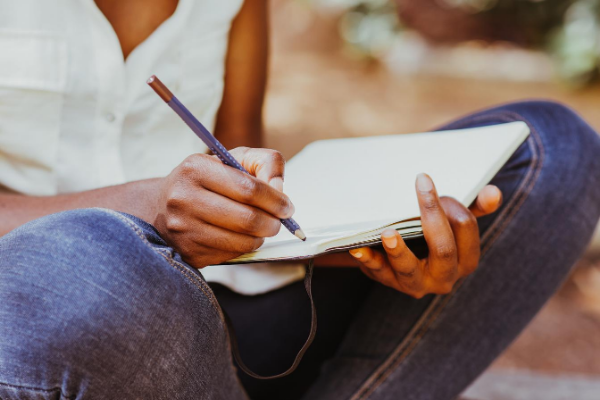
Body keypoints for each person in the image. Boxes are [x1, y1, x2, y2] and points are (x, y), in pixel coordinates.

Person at [0, 1, 599, 399]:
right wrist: (150, 207)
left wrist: (386, 244)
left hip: (243, 315)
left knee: (555, 149)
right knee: (95, 266)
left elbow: (250, 191)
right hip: (79, 329)